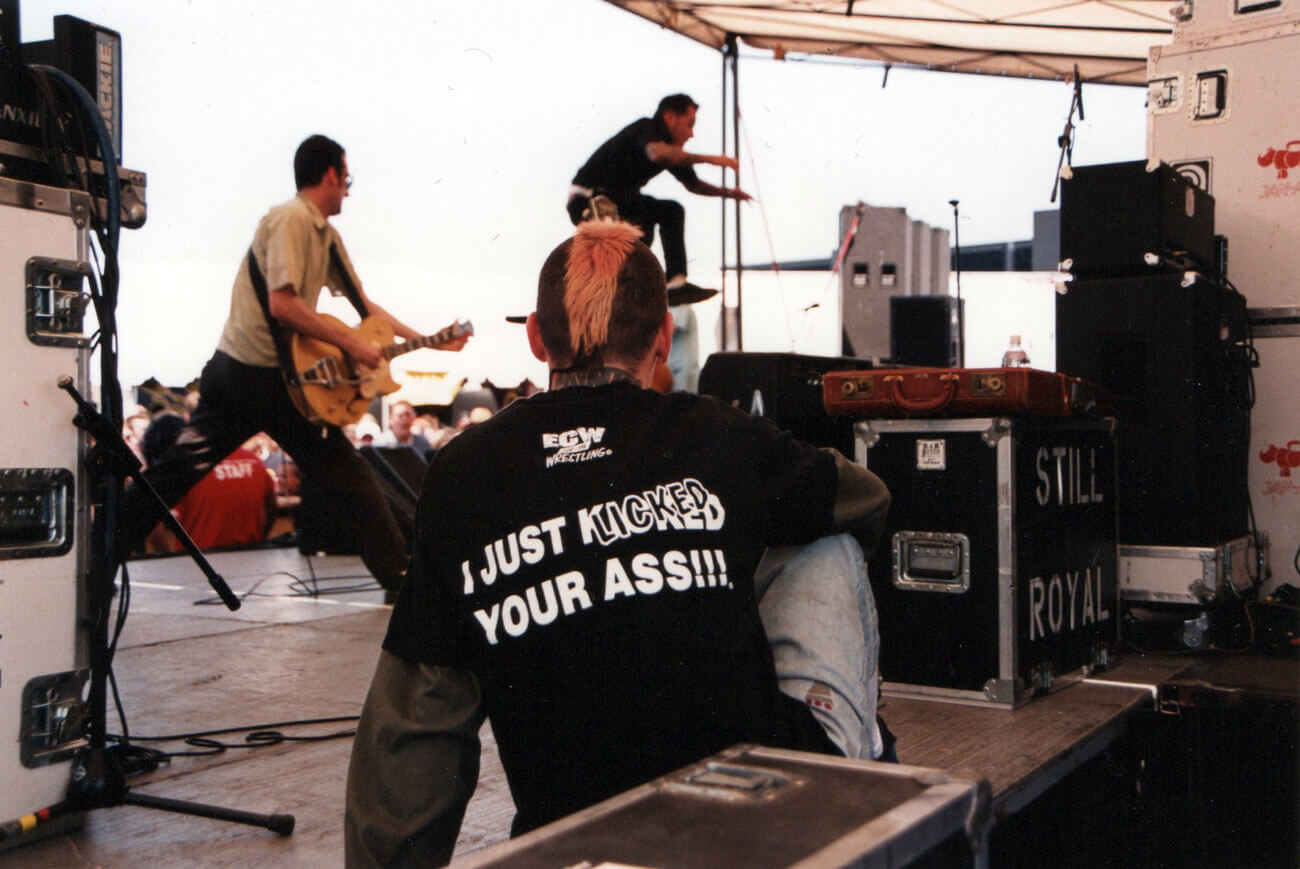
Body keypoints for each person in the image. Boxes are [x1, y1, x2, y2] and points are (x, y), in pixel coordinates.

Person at [344, 220, 891, 866]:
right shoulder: (716, 435)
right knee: (825, 543)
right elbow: (868, 498)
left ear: (537, 339)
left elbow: (412, 733)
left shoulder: (464, 474)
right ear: (662, 337)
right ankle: (869, 770)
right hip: (775, 825)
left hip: (577, 845)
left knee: (448, 638)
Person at [118, 134, 465, 592]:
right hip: (255, 375)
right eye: (346, 179)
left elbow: (365, 307)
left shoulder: (324, 235)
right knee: (347, 474)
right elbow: (282, 305)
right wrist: (351, 344)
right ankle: (403, 580)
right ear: (329, 175)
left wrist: (429, 341)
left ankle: (101, 552)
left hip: (254, 376)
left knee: (179, 471)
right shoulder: (290, 220)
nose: (347, 190)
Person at [565, 93, 752, 299]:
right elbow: (656, 152)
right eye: (690, 124)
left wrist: (729, 193)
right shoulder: (647, 129)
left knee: (668, 212)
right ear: (670, 117)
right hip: (588, 197)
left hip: (620, 199)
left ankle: (673, 282)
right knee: (651, 216)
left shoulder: (673, 152)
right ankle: (608, 282)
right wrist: (712, 159)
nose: (691, 134)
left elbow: (693, 185)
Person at [140, 415, 276, 552]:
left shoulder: (185, 468)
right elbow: (271, 508)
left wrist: (166, 555)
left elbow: (152, 522)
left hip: (200, 562)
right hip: (253, 557)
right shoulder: (254, 462)